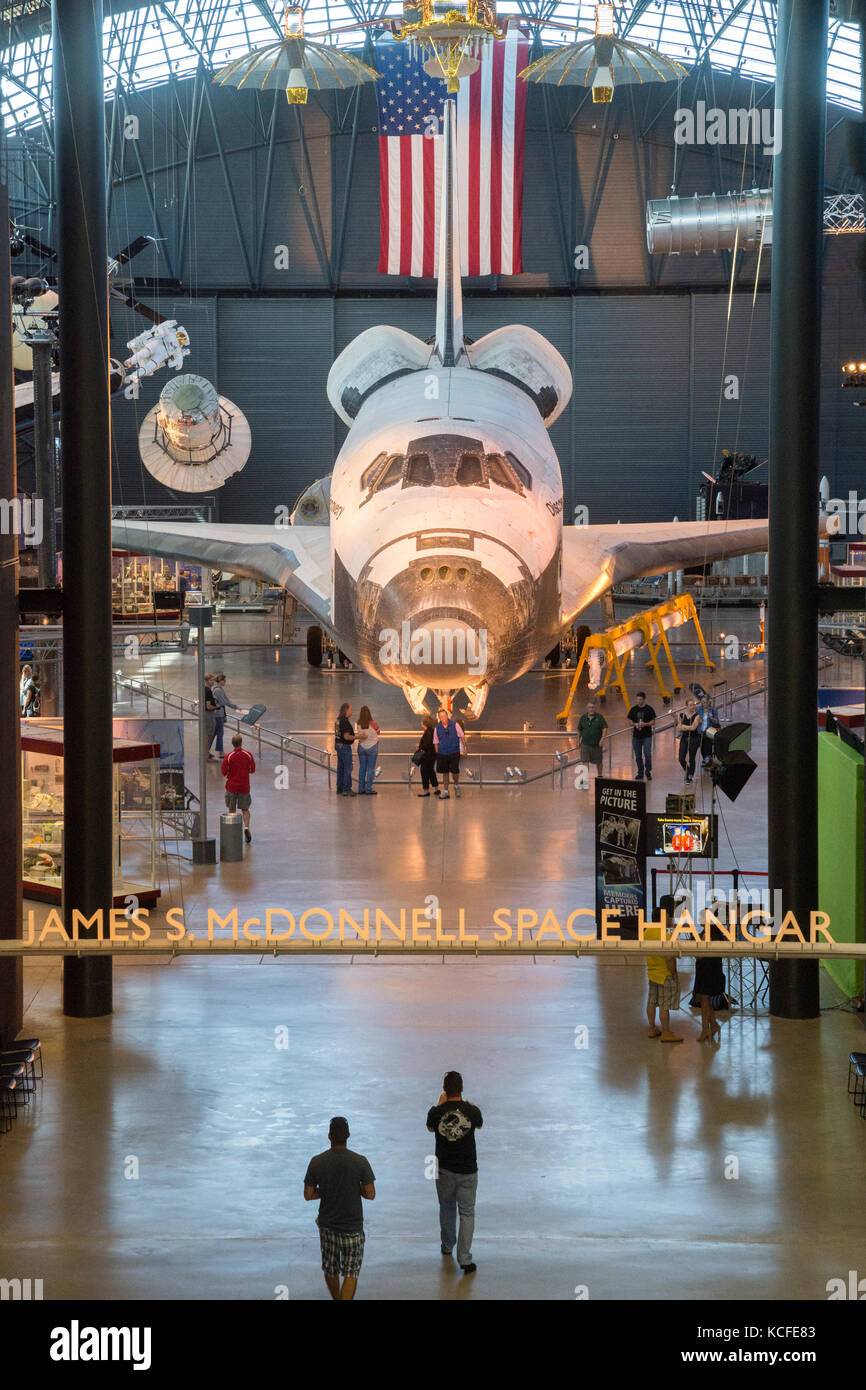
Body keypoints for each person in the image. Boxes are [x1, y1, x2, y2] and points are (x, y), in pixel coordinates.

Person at [304, 1116, 376, 1301]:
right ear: (348, 1135)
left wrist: (326, 1189)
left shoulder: (317, 1162)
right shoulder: (360, 1161)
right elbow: (370, 1194)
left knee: (330, 1268)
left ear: (329, 1136)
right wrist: (354, 1187)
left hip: (328, 1227)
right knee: (351, 1272)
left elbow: (308, 1194)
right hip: (352, 1229)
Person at [426, 1071, 483, 1274]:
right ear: (462, 1088)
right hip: (468, 1171)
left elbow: (431, 1128)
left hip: (443, 1170)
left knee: (446, 1208)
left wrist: (440, 1104)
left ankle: (447, 1245)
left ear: (444, 1090)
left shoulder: (436, 1112)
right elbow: (479, 1124)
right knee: (467, 1213)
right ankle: (465, 1259)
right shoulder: (472, 1110)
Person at [645, 895, 684, 1043]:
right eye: (669, 916)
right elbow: (669, 959)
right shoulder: (665, 937)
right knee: (664, 1005)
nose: (670, 918)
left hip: (652, 973)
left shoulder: (647, 932)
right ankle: (666, 1032)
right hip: (665, 975)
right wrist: (674, 973)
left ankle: (652, 1028)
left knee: (651, 1002)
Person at [221, 733, 255, 843]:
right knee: (245, 810)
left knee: (232, 810)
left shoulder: (229, 756)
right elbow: (253, 769)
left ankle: (233, 832)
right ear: (241, 743)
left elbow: (223, 772)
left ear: (232, 743)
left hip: (231, 786)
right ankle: (246, 828)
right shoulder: (248, 755)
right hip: (244, 786)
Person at [433, 707, 465, 799]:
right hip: (442, 753)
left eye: (444, 716)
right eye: (441, 716)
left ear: (447, 716)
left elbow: (462, 736)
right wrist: (437, 754)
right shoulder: (437, 728)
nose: (443, 718)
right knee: (445, 773)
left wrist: (465, 748)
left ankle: (456, 785)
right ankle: (446, 791)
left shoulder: (455, 725)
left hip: (454, 752)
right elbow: (435, 742)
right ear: (439, 717)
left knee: (455, 772)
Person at [209, 673, 242, 756]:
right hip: (218, 715)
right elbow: (224, 702)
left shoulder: (218, 689)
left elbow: (225, 701)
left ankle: (207, 749)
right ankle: (220, 752)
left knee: (215, 733)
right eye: (224, 680)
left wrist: (235, 707)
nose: (225, 682)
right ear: (220, 681)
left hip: (218, 714)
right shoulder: (218, 690)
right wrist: (235, 707)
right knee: (219, 733)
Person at [627, 690, 656, 781]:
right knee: (638, 755)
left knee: (647, 754)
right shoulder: (633, 709)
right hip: (636, 736)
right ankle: (640, 772)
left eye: (640, 699)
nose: (638, 701)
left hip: (646, 736)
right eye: (637, 699)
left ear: (644, 699)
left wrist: (645, 724)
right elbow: (630, 721)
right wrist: (635, 724)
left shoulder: (649, 709)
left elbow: (653, 721)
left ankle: (648, 771)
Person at [355, 705, 381, 795]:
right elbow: (378, 731)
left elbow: (359, 733)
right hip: (372, 747)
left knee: (362, 768)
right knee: (370, 769)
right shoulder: (373, 723)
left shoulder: (358, 723)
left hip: (361, 747)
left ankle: (360, 789)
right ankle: (368, 789)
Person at [577, 700, 607, 775]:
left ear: (595, 708)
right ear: (587, 708)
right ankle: (584, 777)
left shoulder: (600, 717)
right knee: (585, 761)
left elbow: (605, 728)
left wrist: (602, 739)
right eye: (589, 707)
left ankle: (600, 776)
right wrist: (578, 741)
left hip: (596, 745)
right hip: (585, 744)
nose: (591, 709)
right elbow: (579, 730)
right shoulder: (583, 718)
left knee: (599, 762)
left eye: (593, 707)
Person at [676, 697, 701, 783]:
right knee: (681, 758)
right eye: (690, 705)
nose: (693, 707)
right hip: (684, 738)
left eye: (694, 705)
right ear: (686, 706)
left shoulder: (697, 716)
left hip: (694, 739)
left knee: (691, 758)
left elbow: (694, 728)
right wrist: (687, 727)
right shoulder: (682, 715)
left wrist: (684, 727)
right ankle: (688, 770)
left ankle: (690, 775)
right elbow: (679, 727)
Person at [334, 702, 356, 796]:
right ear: (346, 710)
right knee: (348, 768)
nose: (352, 711)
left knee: (341, 768)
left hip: (338, 745)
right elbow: (347, 737)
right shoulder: (345, 721)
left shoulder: (338, 720)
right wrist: (358, 736)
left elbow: (337, 733)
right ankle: (347, 788)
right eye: (351, 709)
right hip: (344, 747)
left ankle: (340, 788)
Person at [416, 714, 440, 798]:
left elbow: (426, 745)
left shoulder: (427, 732)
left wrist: (419, 746)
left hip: (427, 756)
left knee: (424, 772)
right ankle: (436, 789)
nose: (420, 722)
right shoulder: (432, 730)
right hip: (432, 756)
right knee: (431, 772)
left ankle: (426, 790)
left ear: (424, 723)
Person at [696, 692, 721, 768]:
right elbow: (694, 719)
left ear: (708, 702)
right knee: (702, 747)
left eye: (705, 702)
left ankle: (708, 761)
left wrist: (712, 718)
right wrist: (698, 720)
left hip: (709, 731)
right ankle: (705, 759)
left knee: (708, 746)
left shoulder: (713, 710)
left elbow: (717, 722)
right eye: (702, 702)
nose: (704, 704)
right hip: (700, 731)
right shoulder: (698, 709)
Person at [204, 673, 219, 760]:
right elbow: (209, 706)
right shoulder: (208, 691)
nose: (212, 682)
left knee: (208, 735)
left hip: (207, 714)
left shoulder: (206, 690)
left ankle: (207, 752)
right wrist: (217, 706)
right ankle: (206, 754)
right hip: (209, 715)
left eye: (213, 680)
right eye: (210, 680)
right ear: (206, 681)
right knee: (208, 735)